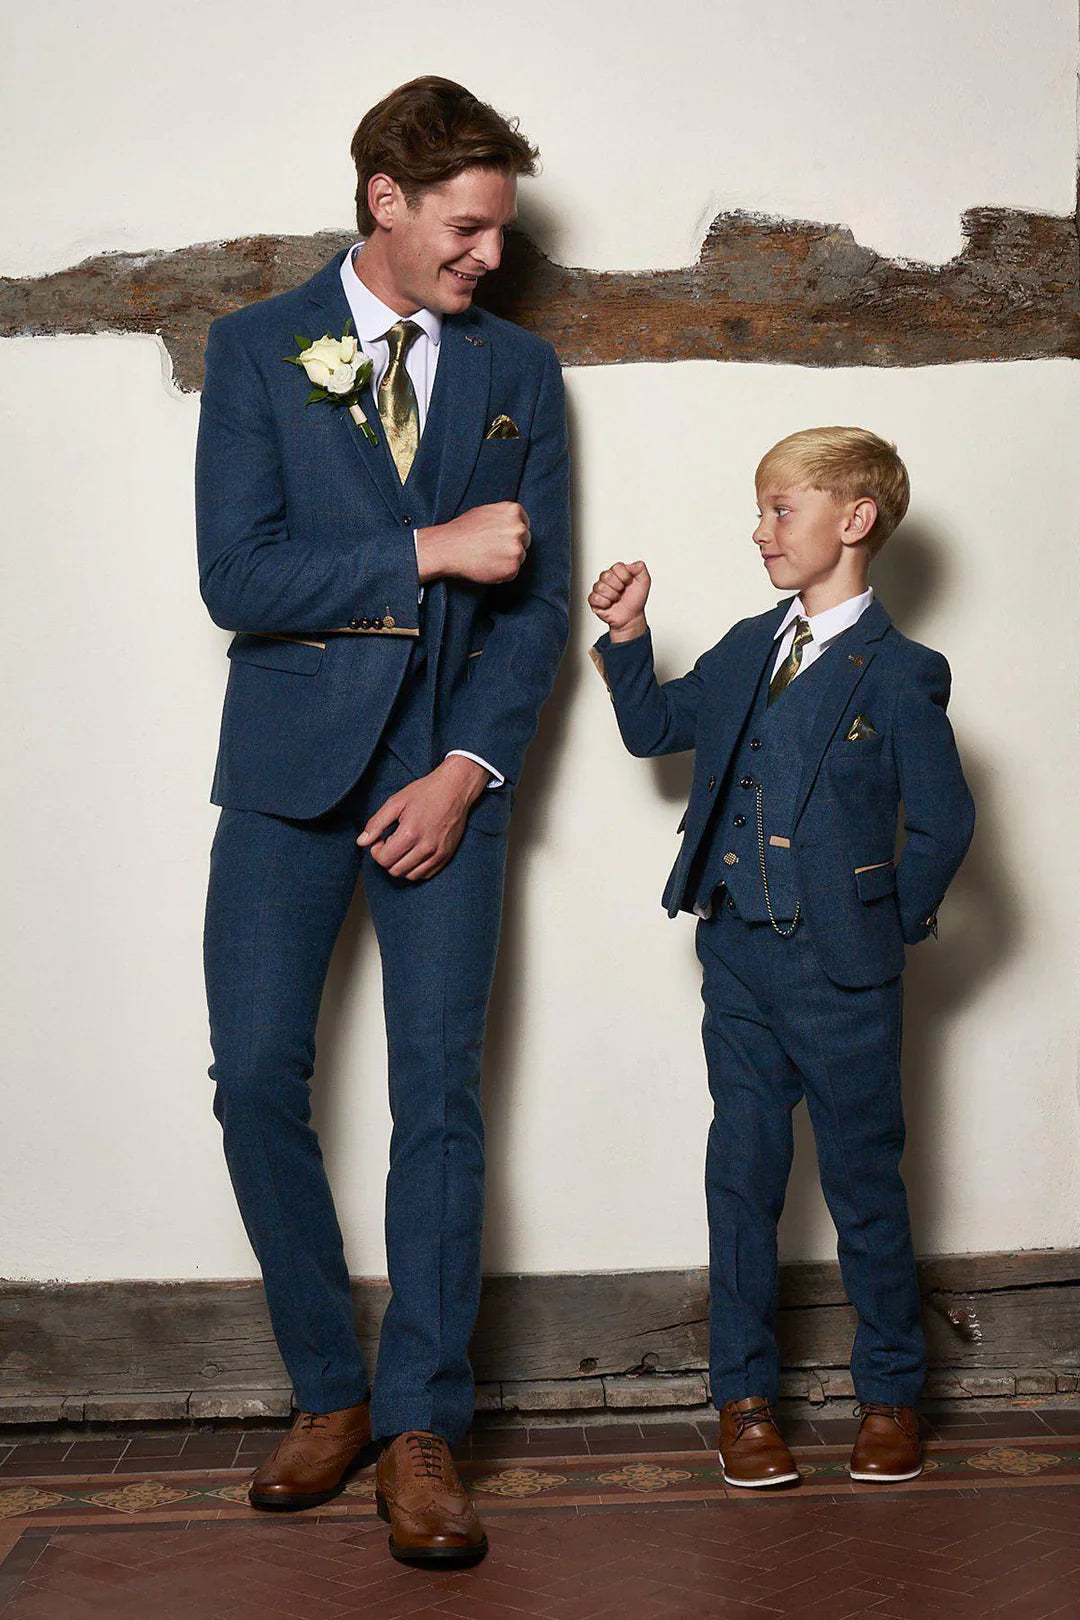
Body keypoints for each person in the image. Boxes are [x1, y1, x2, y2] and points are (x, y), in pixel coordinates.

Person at [195, 75, 570, 1564]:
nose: (488, 257)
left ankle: (422, 1425)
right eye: (468, 229)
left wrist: (466, 772)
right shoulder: (256, 350)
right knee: (255, 1082)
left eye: (501, 233)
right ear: (387, 204)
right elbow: (240, 578)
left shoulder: (519, 374)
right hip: (286, 782)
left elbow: (535, 611)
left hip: (443, 786)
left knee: (441, 1103)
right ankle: (327, 1390)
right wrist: (429, 544)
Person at [587, 427, 974, 1488]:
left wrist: (884, 925)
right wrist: (628, 635)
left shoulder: (902, 674)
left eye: (779, 510)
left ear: (853, 521)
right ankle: (744, 1400)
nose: (760, 530)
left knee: (864, 1188)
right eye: (760, 510)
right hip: (736, 960)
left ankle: (891, 1395)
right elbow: (657, 729)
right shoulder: (751, 644)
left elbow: (943, 826)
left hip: (843, 975)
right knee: (741, 1180)